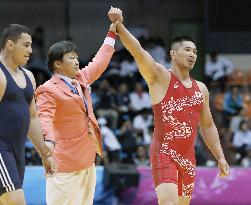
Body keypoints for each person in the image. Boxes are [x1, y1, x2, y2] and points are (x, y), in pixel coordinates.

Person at [108, 7, 230, 205]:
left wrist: (220, 157)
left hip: (188, 157)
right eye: (187, 50)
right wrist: (119, 26)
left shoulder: (202, 89)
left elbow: (207, 126)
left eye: (195, 51)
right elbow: (138, 52)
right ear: (173, 54)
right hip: (163, 153)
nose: (192, 54)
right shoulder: (160, 77)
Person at [35, 22, 118, 205]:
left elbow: (100, 61)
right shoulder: (47, 90)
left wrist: (112, 35)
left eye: (76, 57)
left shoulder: (80, 79)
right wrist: (48, 142)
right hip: (64, 163)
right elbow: (44, 119)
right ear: (58, 63)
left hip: (88, 160)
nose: (77, 61)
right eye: (71, 58)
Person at [0, 24, 56, 205]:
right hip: (1, 149)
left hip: (16, 151)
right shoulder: (0, 75)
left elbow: (32, 118)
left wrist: (44, 154)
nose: (30, 50)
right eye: (25, 45)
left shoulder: (29, 77)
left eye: (31, 45)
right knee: (16, 200)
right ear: (10, 45)